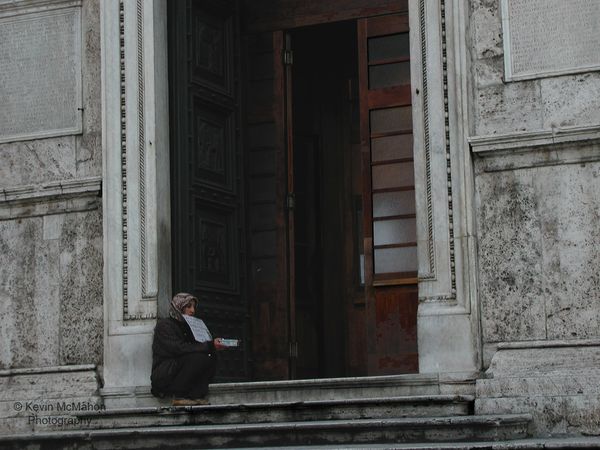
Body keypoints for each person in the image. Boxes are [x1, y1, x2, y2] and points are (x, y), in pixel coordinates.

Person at [151, 292, 226, 406]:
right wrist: (208, 345)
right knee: (197, 357)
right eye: (188, 306)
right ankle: (180, 395)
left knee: (210, 356)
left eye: (193, 307)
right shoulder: (164, 326)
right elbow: (178, 348)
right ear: (179, 307)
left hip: (179, 367)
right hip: (166, 373)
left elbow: (198, 347)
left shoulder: (189, 326)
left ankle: (196, 395)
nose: (192, 311)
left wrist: (213, 345)